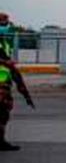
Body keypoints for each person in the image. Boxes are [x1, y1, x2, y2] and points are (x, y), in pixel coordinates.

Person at [0, 13, 35, 151]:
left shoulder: (4, 42)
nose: (5, 27)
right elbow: (7, 63)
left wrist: (24, 92)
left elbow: (12, 68)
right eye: (3, 24)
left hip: (4, 83)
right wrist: (6, 62)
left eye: (6, 24)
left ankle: (1, 142)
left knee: (3, 114)